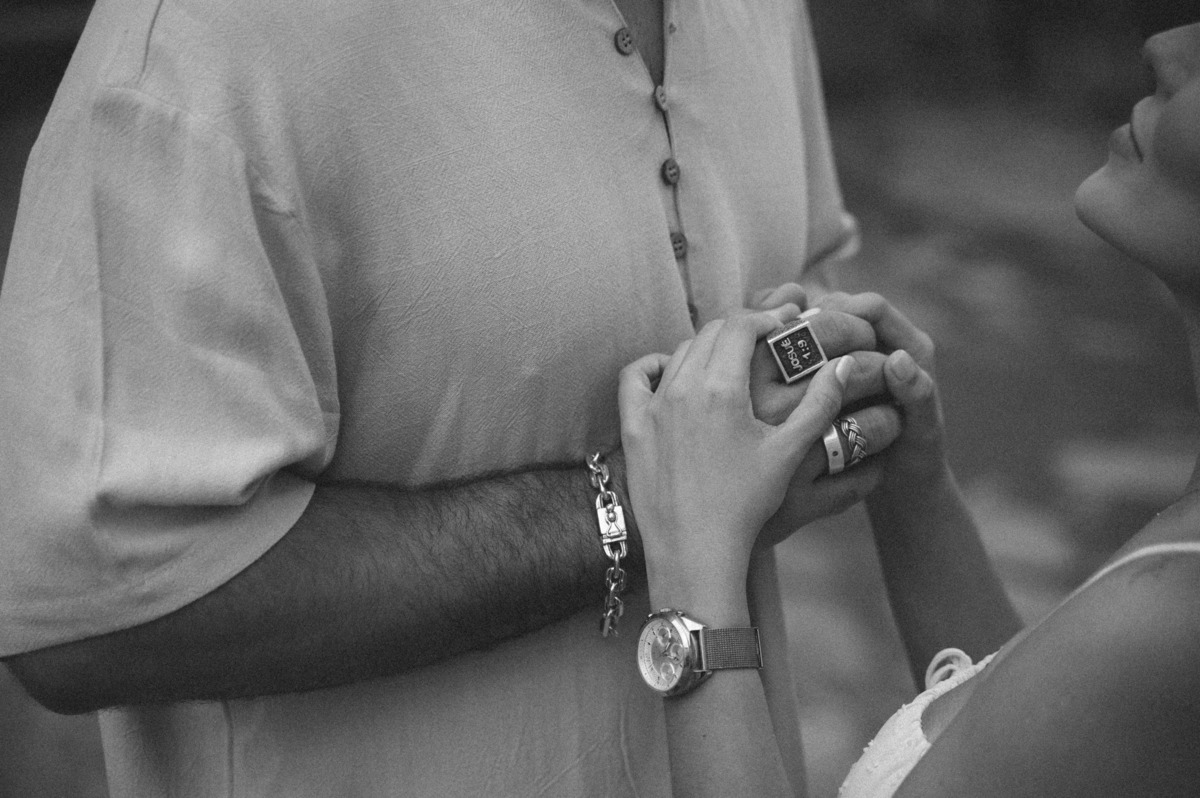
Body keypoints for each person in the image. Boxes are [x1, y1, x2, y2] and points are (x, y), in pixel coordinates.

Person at [0, 0, 907, 796]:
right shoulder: (207, 41)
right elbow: (84, 610)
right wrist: (636, 510)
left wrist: (828, 392)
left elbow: (805, 290)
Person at [619, 18, 1200, 798]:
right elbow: (1030, 743)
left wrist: (695, 556)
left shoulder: (1163, 627)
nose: (1167, 47)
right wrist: (916, 493)